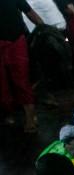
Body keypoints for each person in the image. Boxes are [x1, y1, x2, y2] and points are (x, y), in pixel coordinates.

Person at [1, 0, 44, 132]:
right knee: (2, 85)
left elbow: (29, 11)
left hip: (16, 41)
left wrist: (45, 29)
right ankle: (8, 113)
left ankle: (30, 118)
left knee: (22, 81)